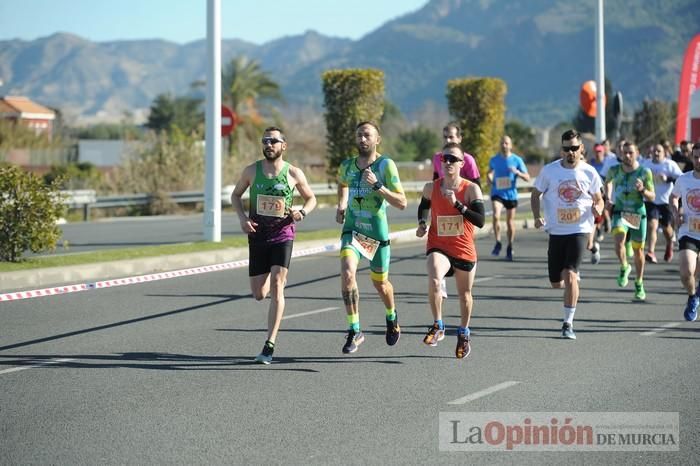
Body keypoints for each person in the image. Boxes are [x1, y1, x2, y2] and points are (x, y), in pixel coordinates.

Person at [231, 126, 317, 364]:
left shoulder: (293, 173)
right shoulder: (251, 171)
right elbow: (235, 195)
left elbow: (311, 198)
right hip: (258, 236)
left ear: (283, 146)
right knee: (259, 294)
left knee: (279, 285)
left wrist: (302, 212)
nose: (269, 145)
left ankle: (269, 345)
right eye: (265, 141)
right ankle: (267, 275)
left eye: (273, 141)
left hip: (283, 233)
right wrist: (242, 218)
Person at [336, 121, 407, 354]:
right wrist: (341, 205)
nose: (362, 139)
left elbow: (402, 202)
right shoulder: (346, 165)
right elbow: (342, 184)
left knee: (380, 284)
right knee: (347, 272)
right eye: (359, 135)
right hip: (353, 231)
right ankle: (354, 330)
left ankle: (391, 315)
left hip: (376, 236)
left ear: (377, 140)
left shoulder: (385, 165)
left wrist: (378, 187)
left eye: (367, 135)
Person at [531, 129, 604, 339]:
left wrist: (598, 207)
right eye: (566, 149)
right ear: (561, 150)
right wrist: (536, 217)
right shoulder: (549, 171)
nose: (571, 152)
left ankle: (567, 323)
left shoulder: (589, 172)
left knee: (571, 274)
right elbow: (536, 194)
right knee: (557, 282)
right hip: (556, 231)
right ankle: (568, 281)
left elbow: (598, 199)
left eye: (574, 148)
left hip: (580, 229)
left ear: (581, 148)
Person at [416, 142, 485, 358]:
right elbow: (423, 206)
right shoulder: (431, 187)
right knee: (435, 276)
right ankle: (438, 325)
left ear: (462, 164)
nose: (448, 162)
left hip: (463, 248)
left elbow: (481, 220)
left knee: (464, 295)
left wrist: (457, 204)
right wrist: (422, 222)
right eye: (445, 158)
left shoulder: (471, 189)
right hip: (439, 245)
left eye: (453, 159)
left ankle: (464, 332)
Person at [431, 122, 481, 299]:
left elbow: (476, 184)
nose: (448, 140)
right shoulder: (438, 157)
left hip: (463, 209)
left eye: (451, 136)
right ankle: (441, 279)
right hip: (443, 208)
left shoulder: (468, 159)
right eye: (445, 137)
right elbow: (435, 181)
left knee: (460, 243)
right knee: (439, 244)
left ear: (459, 138)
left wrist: (466, 200)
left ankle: (461, 269)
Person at [604, 142, 655, 301]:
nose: (627, 155)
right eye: (624, 152)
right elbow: (607, 182)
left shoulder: (644, 172)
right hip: (620, 212)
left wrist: (642, 190)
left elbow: (652, 196)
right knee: (618, 240)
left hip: (637, 214)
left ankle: (639, 282)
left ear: (637, 153)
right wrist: (608, 198)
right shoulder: (614, 170)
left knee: (638, 251)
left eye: (630, 152)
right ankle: (624, 266)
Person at [487, 135, 530, 261]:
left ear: (510, 145)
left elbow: (527, 177)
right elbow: (489, 172)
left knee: (510, 222)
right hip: (497, 193)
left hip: (511, 195)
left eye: (506, 143)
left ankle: (510, 246)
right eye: (502, 143)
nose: (504, 145)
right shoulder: (494, 159)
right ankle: (498, 241)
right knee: (495, 215)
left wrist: (518, 173)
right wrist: (489, 177)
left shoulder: (517, 160)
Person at [670, 142, 700, 321]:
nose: (699, 160)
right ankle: (692, 296)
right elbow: (674, 197)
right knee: (686, 272)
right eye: (696, 156)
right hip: (688, 231)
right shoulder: (684, 179)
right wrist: (676, 211)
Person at [641, 143, 683, 263]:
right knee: (652, 225)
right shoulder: (646, 164)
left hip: (666, 201)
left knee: (666, 228)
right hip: (651, 200)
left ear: (664, 153)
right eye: (654, 151)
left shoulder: (670, 165)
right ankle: (651, 252)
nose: (656, 153)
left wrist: (668, 179)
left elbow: (681, 179)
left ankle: (670, 242)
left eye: (659, 151)